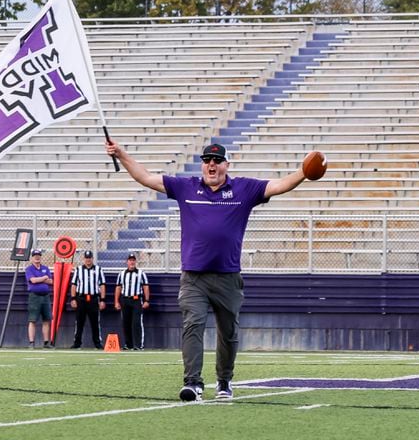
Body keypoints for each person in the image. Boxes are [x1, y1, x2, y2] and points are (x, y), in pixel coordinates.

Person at [105, 140, 308, 401]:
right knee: (193, 325)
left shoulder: (244, 189)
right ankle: (193, 382)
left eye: (216, 160)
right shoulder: (186, 186)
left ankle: (224, 381)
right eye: (207, 160)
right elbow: (145, 177)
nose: (211, 165)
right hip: (194, 277)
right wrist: (121, 154)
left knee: (229, 333)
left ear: (226, 164)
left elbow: (279, 186)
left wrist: (304, 171)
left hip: (227, 277)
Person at [69, 250, 106, 349]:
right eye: (86, 258)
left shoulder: (98, 269)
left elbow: (102, 285)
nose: (88, 260)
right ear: (84, 259)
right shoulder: (78, 269)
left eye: (90, 258)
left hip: (93, 299)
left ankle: (97, 343)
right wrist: (73, 298)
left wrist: (102, 299)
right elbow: (73, 285)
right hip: (81, 298)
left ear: (92, 259)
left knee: (95, 322)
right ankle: (77, 343)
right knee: (79, 322)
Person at [114, 252, 150, 350]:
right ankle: (128, 344)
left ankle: (138, 345)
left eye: (133, 260)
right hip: (125, 299)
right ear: (127, 262)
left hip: (136, 300)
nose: (132, 262)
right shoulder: (121, 274)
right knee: (126, 322)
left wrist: (147, 300)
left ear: (136, 262)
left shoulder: (141, 273)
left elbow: (145, 287)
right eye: (130, 260)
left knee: (136, 323)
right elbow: (118, 287)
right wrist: (116, 301)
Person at [25, 249, 54, 349]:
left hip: (45, 296)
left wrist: (39, 279)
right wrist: (43, 278)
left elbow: (51, 281)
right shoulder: (29, 269)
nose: (37, 257)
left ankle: (46, 343)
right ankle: (31, 342)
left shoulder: (45, 268)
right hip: (34, 296)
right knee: (32, 320)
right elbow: (32, 280)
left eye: (38, 255)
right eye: (35, 255)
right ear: (32, 257)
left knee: (46, 320)